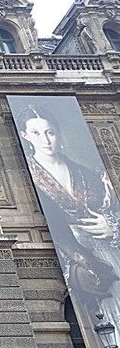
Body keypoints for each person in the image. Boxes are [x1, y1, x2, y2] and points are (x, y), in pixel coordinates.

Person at [18, 104, 120, 321]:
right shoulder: (29, 173)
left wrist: (112, 225)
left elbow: (111, 208)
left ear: (57, 133)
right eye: (36, 133)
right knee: (103, 317)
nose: (45, 140)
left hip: (109, 251)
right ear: (25, 136)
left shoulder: (89, 174)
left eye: (50, 132)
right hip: (72, 254)